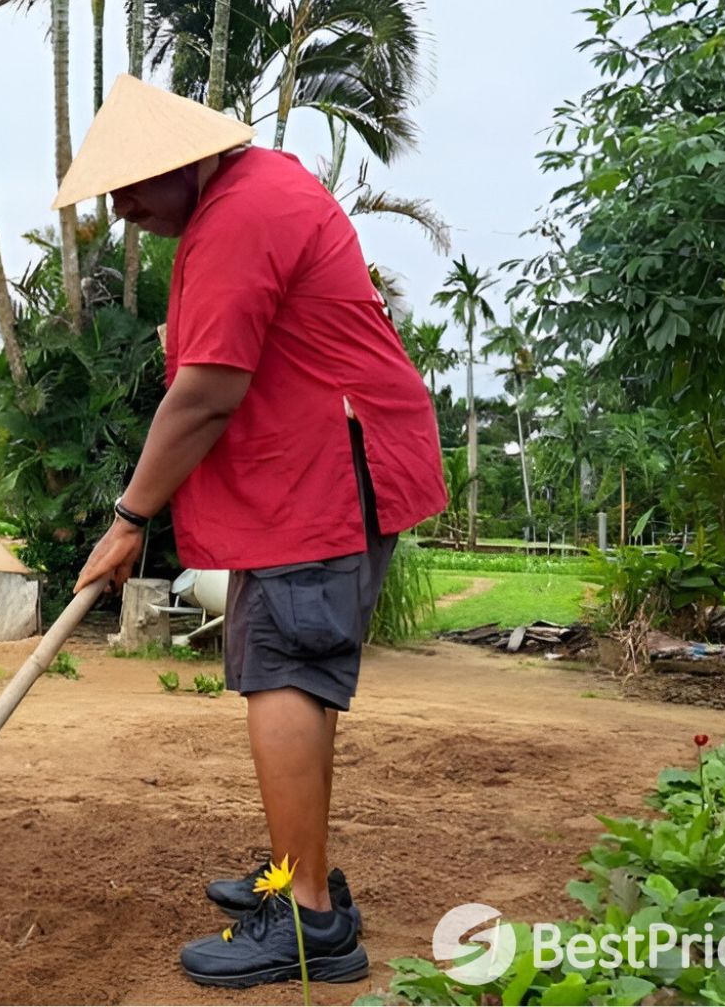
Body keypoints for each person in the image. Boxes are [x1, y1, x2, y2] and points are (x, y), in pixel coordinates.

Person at [61, 76, 447, 987]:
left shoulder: (241, 214)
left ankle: (310, 920)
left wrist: (128, 521)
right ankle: (297, 872)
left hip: (315, 476)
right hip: (303, 473)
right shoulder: (253, 192)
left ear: (190, 162)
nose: (122, 206)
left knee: (284, 672)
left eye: (133, 184)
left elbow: (207, 391)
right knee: (285, 671)